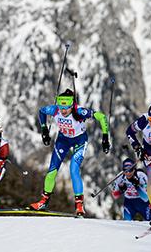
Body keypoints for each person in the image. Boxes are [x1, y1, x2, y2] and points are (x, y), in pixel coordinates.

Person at [29, 88, 110, 216]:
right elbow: (41, 111)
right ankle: (43, 202)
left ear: (72, 105)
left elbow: (101, 117)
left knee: (73, 170)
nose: (63, 110)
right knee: (52, 170)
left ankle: (79, 206)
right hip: (63, 140)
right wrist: (44, 129)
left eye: (66, 107)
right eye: (61, 107)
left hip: (79, 141)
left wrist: (105, 137)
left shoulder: (80, 111)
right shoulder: (55, 110)